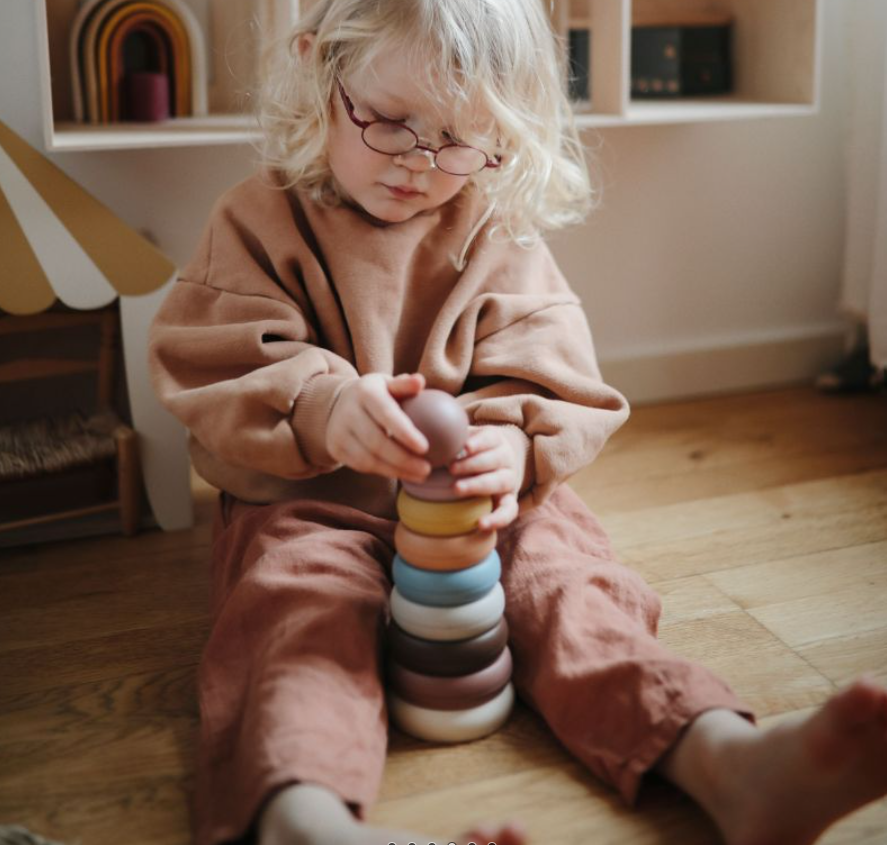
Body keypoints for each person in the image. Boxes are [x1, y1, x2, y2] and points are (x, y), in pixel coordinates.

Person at [148, 1, 887, 844]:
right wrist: (325, 407)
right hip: (307, 502)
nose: (421, 164)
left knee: (568, 587)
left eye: (462, 139)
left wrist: (510, 442)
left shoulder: (496, 233)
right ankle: (304, 817)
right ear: (320, 70)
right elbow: (210, 362)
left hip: (482, 508)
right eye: (390, 122)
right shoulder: (255, 220)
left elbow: (555, 376)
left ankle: (728, 759)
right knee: (295, 618)